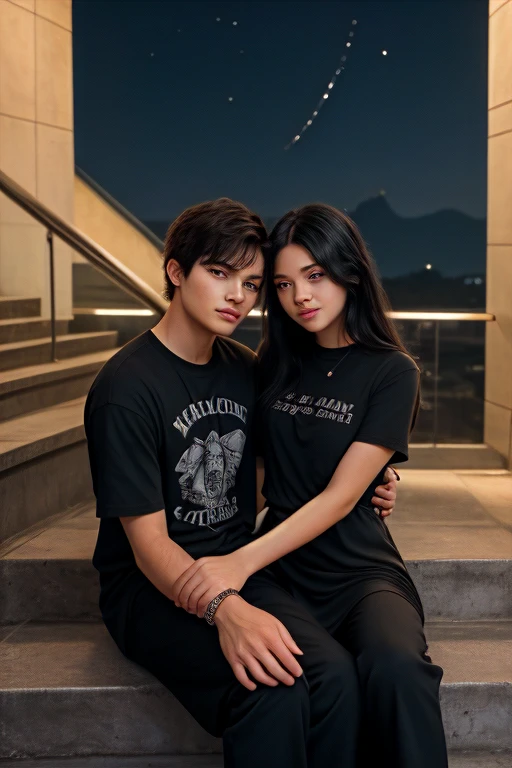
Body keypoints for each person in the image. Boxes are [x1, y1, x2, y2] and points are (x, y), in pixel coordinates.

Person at [84, 198, 399, 768]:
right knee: (272, 690)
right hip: (151, 587)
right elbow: (149, 545)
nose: (238, 296)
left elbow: (279, 462)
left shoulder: (245, 367)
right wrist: (225, 610)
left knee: (334, 678)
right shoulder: (125, 389)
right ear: (177, 273)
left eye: (253, 283)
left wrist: (375, 476)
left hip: (237, 564)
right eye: (219, 273)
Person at [174, 203, 449, 768]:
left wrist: (238, 563)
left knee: (397, 667)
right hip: (285, 573)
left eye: (316, 275)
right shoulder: (272, 361)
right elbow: (255, 465)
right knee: (320, 681)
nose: (302, 296)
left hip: (360, 568)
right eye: (283, 283)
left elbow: (341, 496)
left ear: (349, 271)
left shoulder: (393, 371)